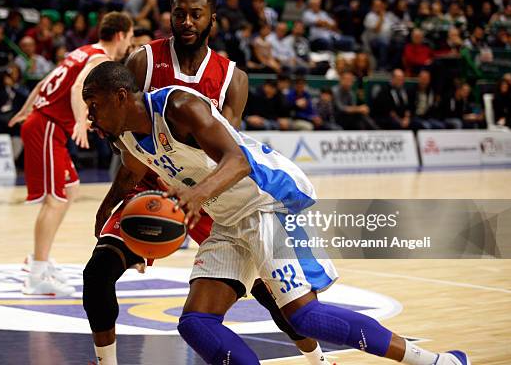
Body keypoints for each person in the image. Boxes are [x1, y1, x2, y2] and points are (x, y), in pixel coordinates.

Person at [83, 61, 471, 365]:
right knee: (196, 322)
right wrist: (106, 213)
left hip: (270, 200)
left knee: (305, 317)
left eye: (94, 104)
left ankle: (438, 361)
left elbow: (238, 162)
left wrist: (196, 196)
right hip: (229, 218)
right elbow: (130, 172)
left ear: (120, 96)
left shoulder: (179, 106)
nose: (90, 116)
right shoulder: (128, 138)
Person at [83, 0, 329, 365]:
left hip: (208, 195)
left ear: (212, 18)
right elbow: (125, 138)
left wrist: (192, 195)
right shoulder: (143, 61)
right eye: (178, 13)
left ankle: (317, 359)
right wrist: (112, 199)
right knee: (98, 273)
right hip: (148, 186)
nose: (186, 21)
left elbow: (224, 152)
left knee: (271, 292)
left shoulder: (233, 78)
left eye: (195, 13)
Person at [8, 12, 134, 297]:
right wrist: (80, 119)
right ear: (121, 35)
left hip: (44, 122)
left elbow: (45, 82)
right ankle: (37, 272)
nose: (129, 42)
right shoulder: (101, 58)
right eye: (130, 36)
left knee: (70, 187)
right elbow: (78, 87)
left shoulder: (81, 51)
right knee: (55, 200)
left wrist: (27, 108)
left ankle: (39, 258)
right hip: (48, 126)